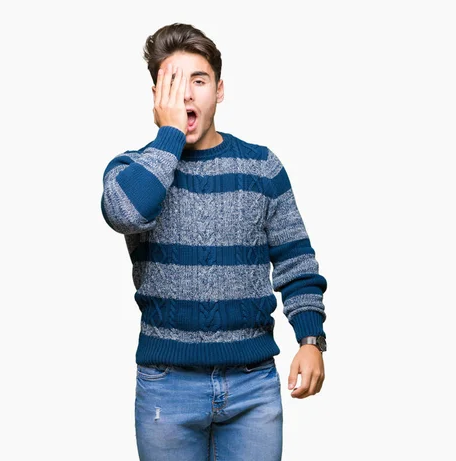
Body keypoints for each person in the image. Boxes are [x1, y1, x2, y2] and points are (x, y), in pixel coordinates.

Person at [100, 23, 328, 460]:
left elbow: (295, 260)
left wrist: (310, 339)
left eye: (198, 81)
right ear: (155, 96)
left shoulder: (261, 166)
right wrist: (168, 138)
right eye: (172, 82)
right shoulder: (131, 170)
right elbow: (126, 213)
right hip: (167, 386)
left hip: (252, 383)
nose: (186, 95)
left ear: (219, 91)